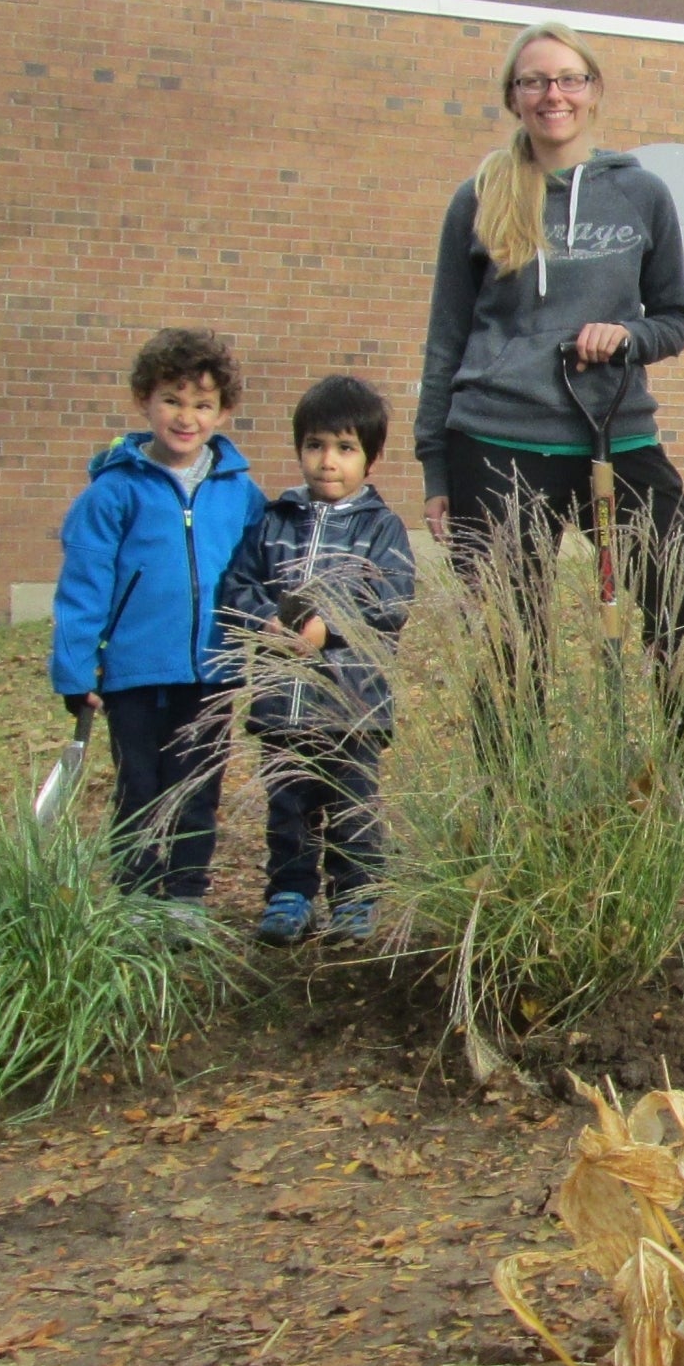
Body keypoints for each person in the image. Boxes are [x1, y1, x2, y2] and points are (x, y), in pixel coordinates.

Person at [414, 20, 684, 873]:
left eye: (567, 79)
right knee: (510, 637)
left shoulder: (641, 194)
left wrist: (627, 337)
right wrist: (433, 463)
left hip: (615, 432)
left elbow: (675, 317)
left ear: (594, 90)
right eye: (534, 82)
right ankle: (515, 816)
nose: (552, 95)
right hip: (495, 438)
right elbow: (446, 337)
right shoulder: (479, 196)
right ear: (513, 98)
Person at [49, 327, 266, 910]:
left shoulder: (240, 494)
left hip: (212, 671)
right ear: (145, 400)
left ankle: (185, 899)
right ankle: (138, 901)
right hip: (135, 675)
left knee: (196, 791)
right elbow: (84, 587)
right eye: (172, 400)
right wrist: (76, 670)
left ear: (223, 412)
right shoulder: (114, 493)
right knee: (140, 790)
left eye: (202, 404)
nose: (186, 417)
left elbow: (259, 572)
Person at [225, 375, 416, 946]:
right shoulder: (274, 520)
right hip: (283, 699)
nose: (327, 461)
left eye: (344, 447)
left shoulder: (380, 528)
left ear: (371, 458)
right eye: (315, 446)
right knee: (288, 805)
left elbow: (393, 600)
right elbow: (237, 584)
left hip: (351, 703)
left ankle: (355, 899)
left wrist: (327, 628)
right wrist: (265, 618)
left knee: (353, 806)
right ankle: (290, 895)